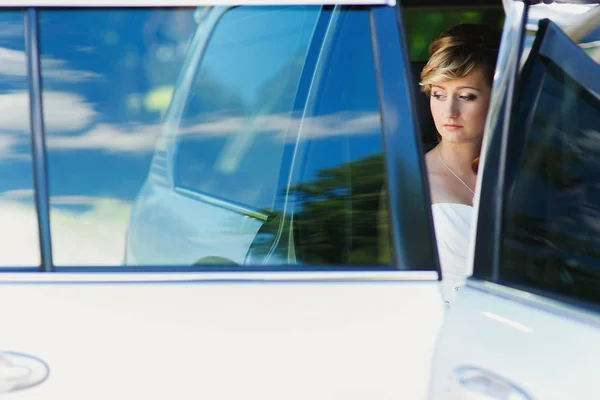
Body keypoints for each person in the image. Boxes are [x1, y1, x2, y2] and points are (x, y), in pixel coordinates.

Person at [420, 24, 500, 306]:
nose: (449, 111)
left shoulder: (522, 170)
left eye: (466, 96)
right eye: (438, 95)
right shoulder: (412, 179)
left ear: (496, 97)